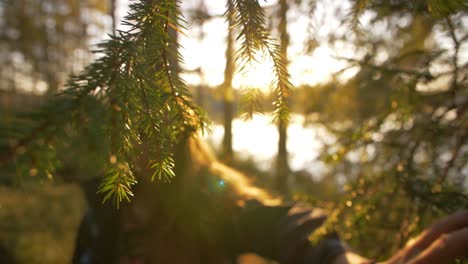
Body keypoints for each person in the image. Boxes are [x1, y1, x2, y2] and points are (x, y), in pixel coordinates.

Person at [73, 136, 468, 264]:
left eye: (145, 192)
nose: (129, 221)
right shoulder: (97, 221)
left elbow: (286, 222)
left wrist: (339, 261)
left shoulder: (213, 205)